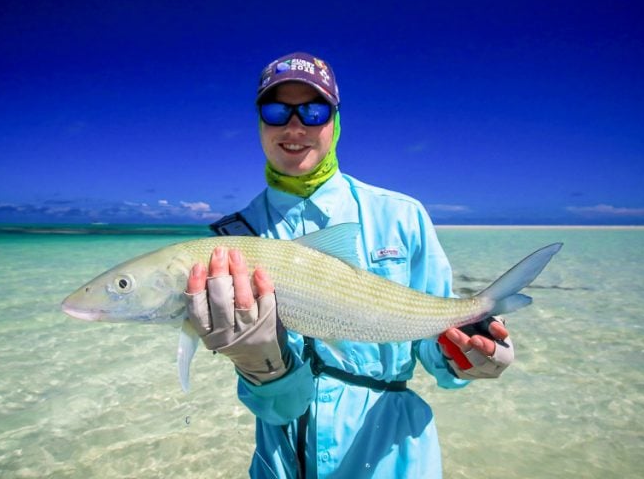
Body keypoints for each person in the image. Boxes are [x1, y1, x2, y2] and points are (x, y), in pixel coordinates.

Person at [185, 52, 514, 479]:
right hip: (280, 462)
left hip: (392, 458)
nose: (295, 126)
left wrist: (469, 354)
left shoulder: (402, 216)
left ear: (335, 122)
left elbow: (436, 353)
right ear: (260, 123)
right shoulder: (231, 241)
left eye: (314, 110)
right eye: (276, 111)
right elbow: (278, 407)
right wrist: (257, 363)